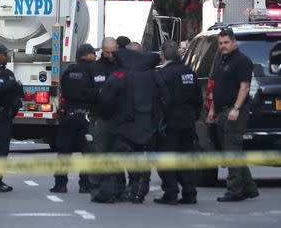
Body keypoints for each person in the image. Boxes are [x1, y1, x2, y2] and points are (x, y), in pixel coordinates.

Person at [101, 46, 169, 203]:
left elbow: (106, 96)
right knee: (143, 163)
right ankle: (138, 193)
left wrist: (109, 114)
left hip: (124, 125)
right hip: (147, 126)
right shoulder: (153, 74)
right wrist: (159, 118)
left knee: (114, 160)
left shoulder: (120, 74)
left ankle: (109, 192)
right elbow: (166, 97)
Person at [207, 29, 259, 202]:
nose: (223, 46)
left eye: (226, 42)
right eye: (221, 43)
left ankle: (235, 190)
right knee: (233, 150)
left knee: (232, 151)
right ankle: (249, 188)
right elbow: (216, 87)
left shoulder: (242, 61)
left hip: (235, 110)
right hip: (222, 110)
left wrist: (236, 108)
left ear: (234, 42)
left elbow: (244, 87)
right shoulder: (221, 60)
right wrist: (212, 109)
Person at [154, 40, 202, 205]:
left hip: (170, 124)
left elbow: (162, 102)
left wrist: (161, 122)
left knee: (166, 159)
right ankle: (190, 193)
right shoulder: (189, 72)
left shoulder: (163, 75)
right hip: (188, 122)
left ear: (163, 56)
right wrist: (193, 116)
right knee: (185, 158)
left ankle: (170, 193)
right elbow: (198, 99)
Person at [50, 44, 96, 194]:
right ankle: (85, 185)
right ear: (88, 55)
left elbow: (63, 89)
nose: (95, 56)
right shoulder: (93, 70)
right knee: (87, 152)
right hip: (86, 116)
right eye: (93, 54)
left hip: (68, 115)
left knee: (64, 152)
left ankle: (60, 184)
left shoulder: (68, 70)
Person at [87, 37, 126, 202]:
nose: (110, 55)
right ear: (102, 50)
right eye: (107, 52)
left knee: (117, 156)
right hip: (100, 118)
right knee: (98, 155)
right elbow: (85, 92)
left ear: (117, 48)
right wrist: (99, 94)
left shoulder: (123, 67)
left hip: (119, 118)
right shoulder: (94, 68)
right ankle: (96, 189)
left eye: (113, 51)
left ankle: (119, 189)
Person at [0, 43, 23, 192]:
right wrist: (12, 84)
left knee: (2, 150)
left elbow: (18, 90)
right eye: (5, 54)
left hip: (5, 115)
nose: (7, 57)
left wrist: (13, 85)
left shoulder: (4, 71)